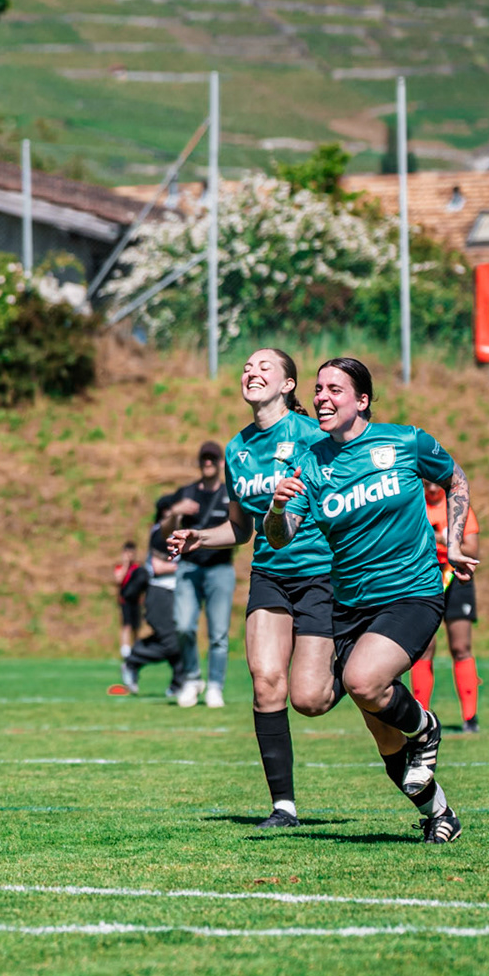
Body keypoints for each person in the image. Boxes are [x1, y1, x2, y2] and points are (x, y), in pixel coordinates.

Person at [264, 357, 471, 844]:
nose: (321, 397)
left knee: (363, 680)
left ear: (362, 401)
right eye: (317, 390)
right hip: (350, 606)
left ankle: (427, 727)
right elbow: (279, 537)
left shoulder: (404, 441)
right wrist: (275, 507)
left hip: (411, 594)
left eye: (335, 389)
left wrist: (456, 540)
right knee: (315, 702)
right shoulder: (310, 464)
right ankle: (441, 814)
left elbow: (456, 479)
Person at [166, 349, 333, 828]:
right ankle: (284, 806)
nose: (251, 373)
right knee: (265, 681)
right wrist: (201, 537)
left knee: (312, 699)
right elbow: (241, 529)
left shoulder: (312, 435)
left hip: (322, 573)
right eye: (246, 367)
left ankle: (358, 669)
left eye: (264, 368)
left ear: (287, 384)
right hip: (270, 574)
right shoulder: (236, 449)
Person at [163, 440, 236, 708]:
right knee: (183, 625)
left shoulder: (231, 494)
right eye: (204, 458)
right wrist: (174, 512)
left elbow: (240, 530)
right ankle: (192, 679)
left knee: (218, 633)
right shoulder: (187, 493)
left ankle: (215, 685)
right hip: (189, 568)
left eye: (212, 459)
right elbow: (163, 533)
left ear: (220, 463)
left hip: (220, 569)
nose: (208, 463)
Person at [411, 479, 482, 732]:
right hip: (424, 577)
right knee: (423, 647)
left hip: (456, 578)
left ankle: (470, 717)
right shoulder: (415, 504)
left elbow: (472, 549)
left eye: (436, 485)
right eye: (426, 485)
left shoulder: (458, 507)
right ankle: (420, 715)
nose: (431, 490)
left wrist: (445, 539)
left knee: (461, 646)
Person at [121, 526, 183, 696]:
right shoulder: (161, 533)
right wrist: (187, 566)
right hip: (160, 592)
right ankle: (133, 660)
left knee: (181, 637)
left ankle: (179, 683)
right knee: (171, 642)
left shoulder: (191, 529)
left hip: (179, 592)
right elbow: (157, 566)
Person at [113, 539, 141, 660]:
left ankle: (136, 650)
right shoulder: (120, 567)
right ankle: (125, 651)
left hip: (137, 601)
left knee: (136, 626)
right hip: (125, 600)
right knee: (126, 625)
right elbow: (118, 580)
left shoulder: (137, 567)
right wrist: (125, 565)